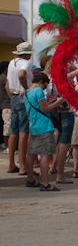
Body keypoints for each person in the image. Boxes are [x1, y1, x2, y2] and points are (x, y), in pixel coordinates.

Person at [23, 72, 64, 191]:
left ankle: (30, 180)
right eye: (45, 85)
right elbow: (45, 109)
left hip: (33, 126)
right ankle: (45, 184)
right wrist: (58, 102)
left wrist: (51, 102)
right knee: (45, 155)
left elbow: (38, 106)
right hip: (44, 126)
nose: (45, 88)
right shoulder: (38, 91)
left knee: (31, 154)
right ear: (42, 82)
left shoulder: (26, 92)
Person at [5, 41, 34, 174]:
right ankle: (23, 166)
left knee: (14, 131)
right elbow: (21, 75)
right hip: (23, 96)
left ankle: (11, 164)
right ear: (27, 54)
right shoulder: (25, 63)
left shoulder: (12, 62)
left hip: (14, 96)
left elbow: (7, 85)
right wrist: (26, 88)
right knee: (23, 132)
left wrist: (12, 96)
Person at [0, 61, 11, 154]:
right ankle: (7, 146)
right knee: (7, 126)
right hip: (7, 104)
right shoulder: (4, 78)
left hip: (6, 104)